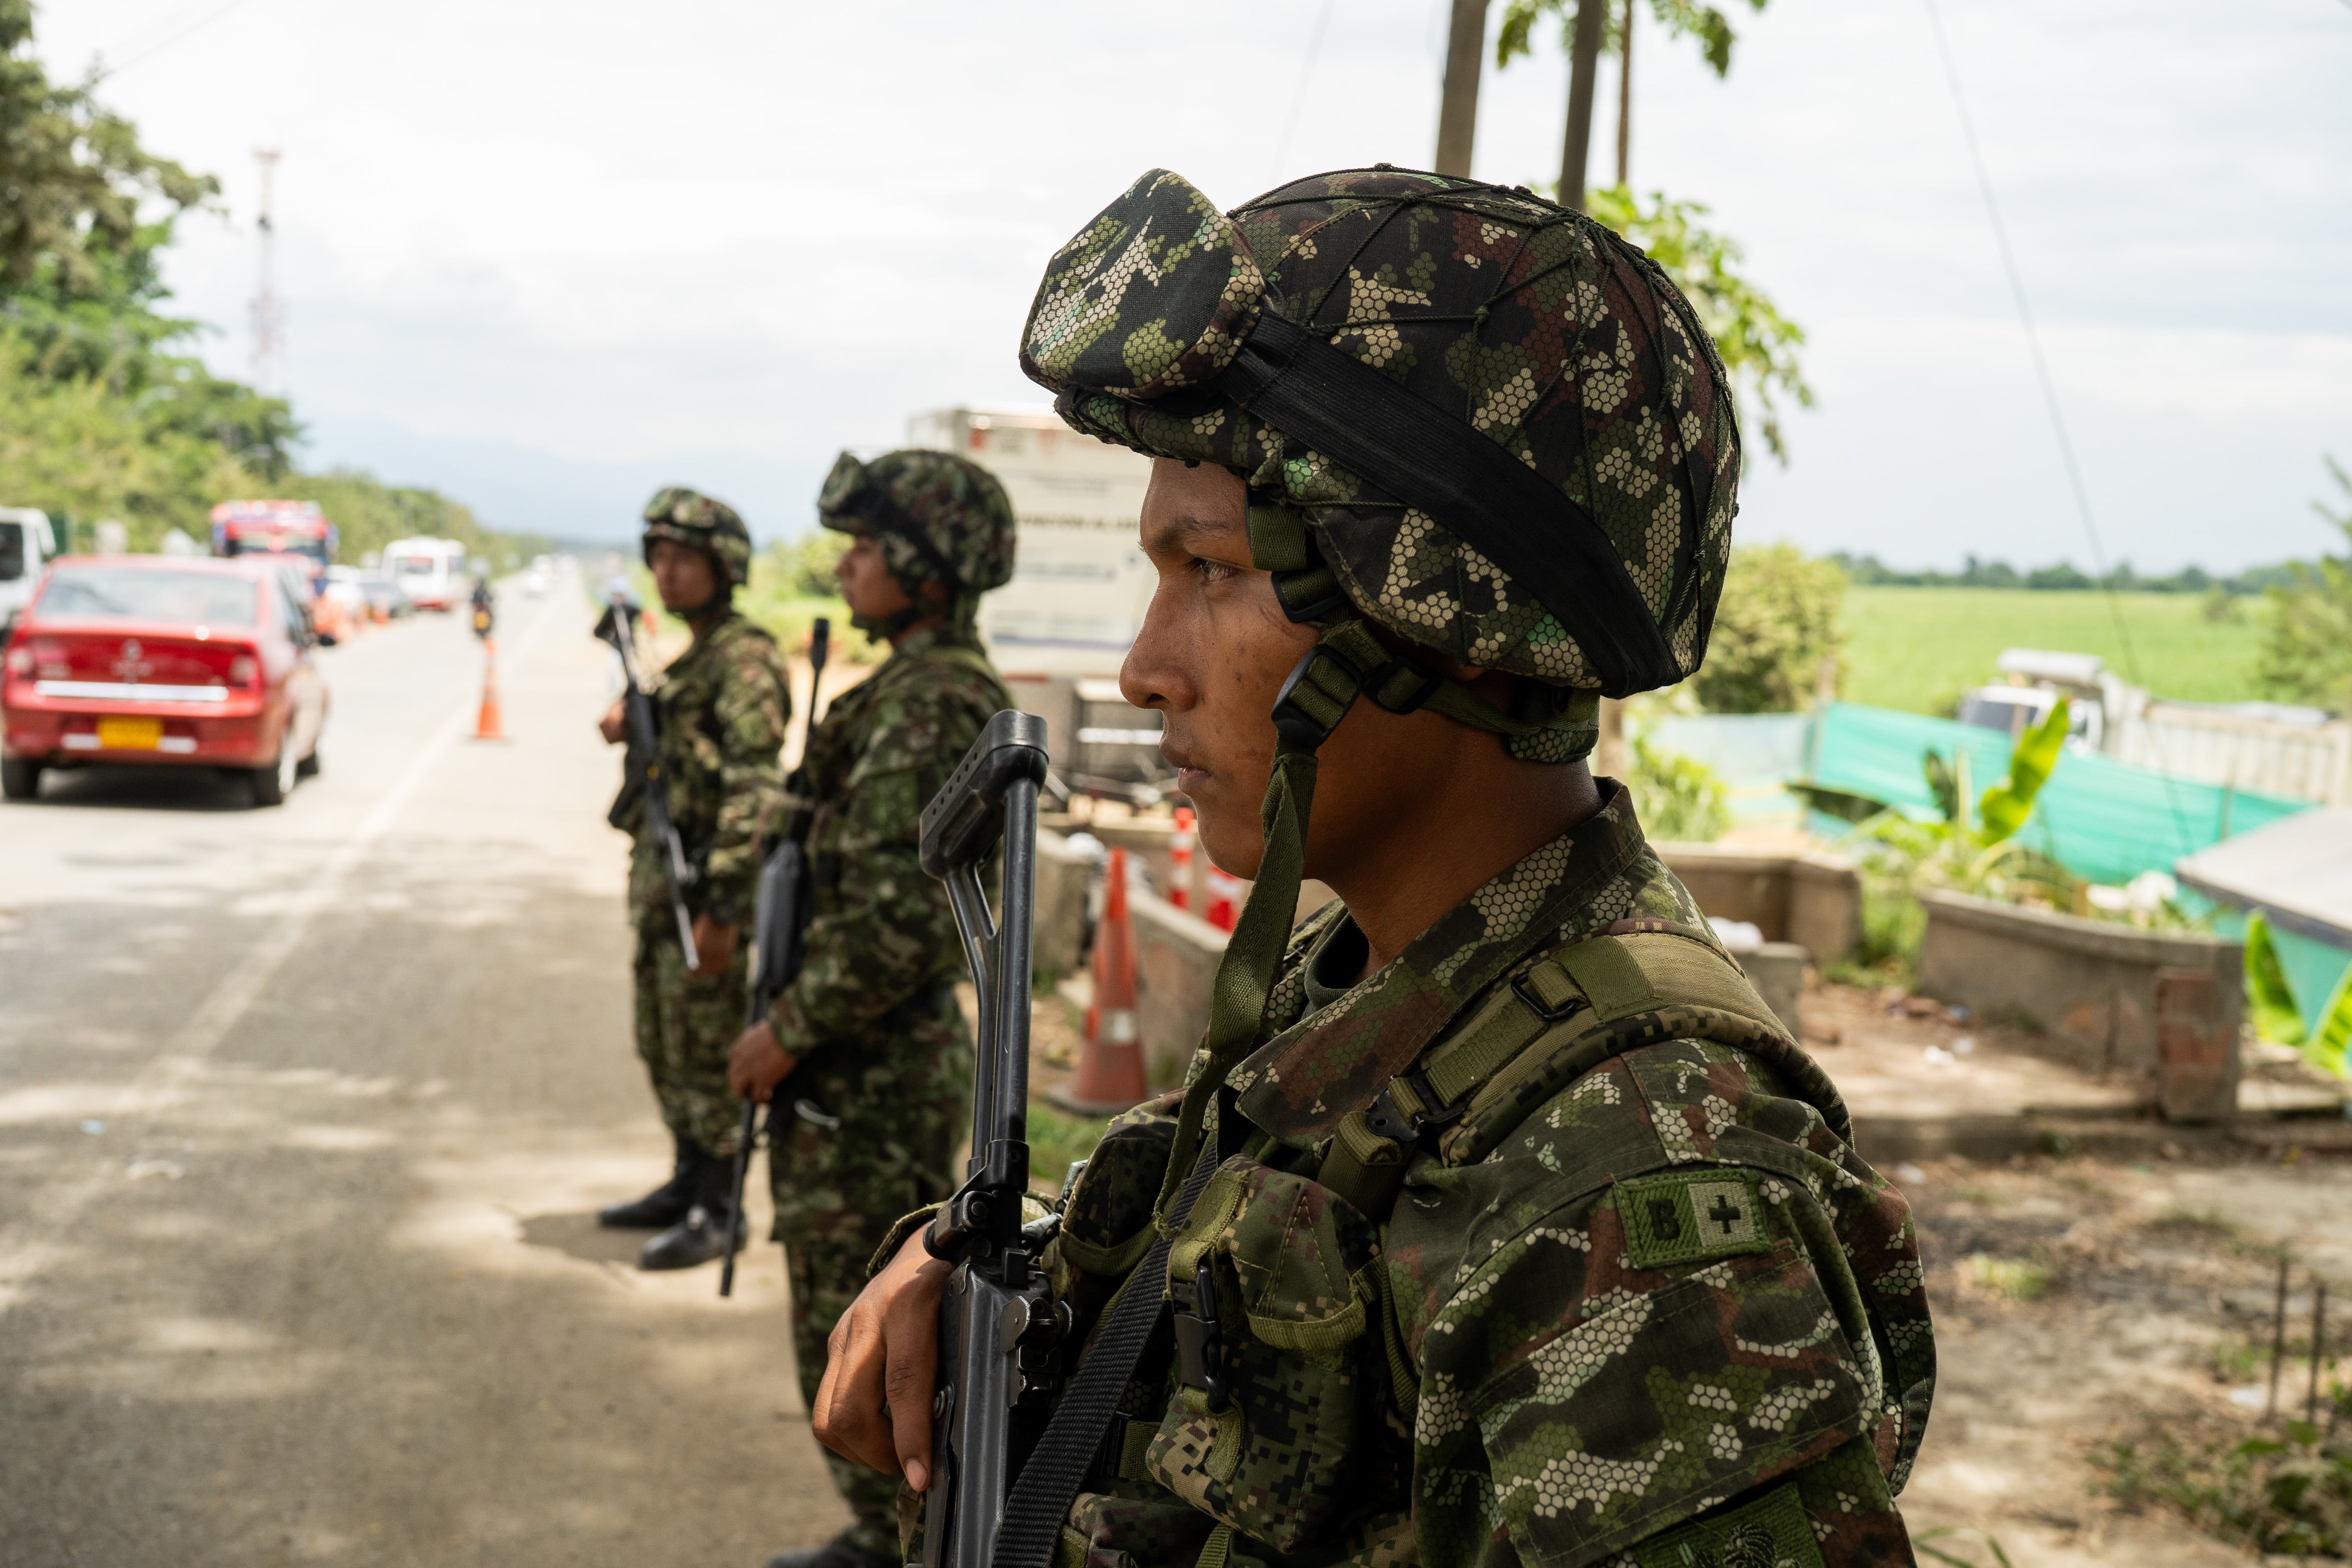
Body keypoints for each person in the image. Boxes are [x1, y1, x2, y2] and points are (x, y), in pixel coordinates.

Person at [810, 168, 1936, 1567]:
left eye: (1212, 572)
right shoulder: (1382, 989)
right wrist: (994, 1272)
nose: (1145, 669)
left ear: (1445, 610)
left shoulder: (1637, 1197)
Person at [725, 449, 1018, 1568]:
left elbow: (901, 916)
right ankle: (881, 1534)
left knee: (866, 1342)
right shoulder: (910, 690)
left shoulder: (933, 700)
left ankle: (903, 1542)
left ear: (923, 565)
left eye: (863, 546)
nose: (845, 566)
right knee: (845, 1325)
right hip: (857, 1072)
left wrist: (786, 1030)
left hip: (870, 1076)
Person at [597, 487, 791, 1270]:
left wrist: (725, 910)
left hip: (704, 895)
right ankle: (687, 1181)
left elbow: (754, 787)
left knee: (708, 1051)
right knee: (665, 1042)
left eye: (685, 559)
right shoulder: (697, 655)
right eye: (660, 558)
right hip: (664, 891)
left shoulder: (743, 657)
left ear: (725, 567)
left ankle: (720, 1207)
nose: (668, 573)